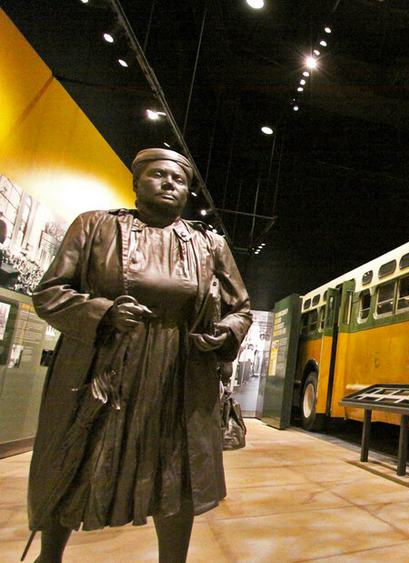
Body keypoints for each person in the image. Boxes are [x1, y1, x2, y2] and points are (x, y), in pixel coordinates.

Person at [26, 148, 252, 562]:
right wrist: (103, 313)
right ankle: (50, 556)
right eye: (158, 175)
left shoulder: (210, 244)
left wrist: (225, 332)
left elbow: (241, 308)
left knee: (175, 469)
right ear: (136, 182)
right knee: (75, 457)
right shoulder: (94, 226)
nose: (169, 184)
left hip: (178, 371)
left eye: (179, 180)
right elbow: (49, 293)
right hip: (102, 362)